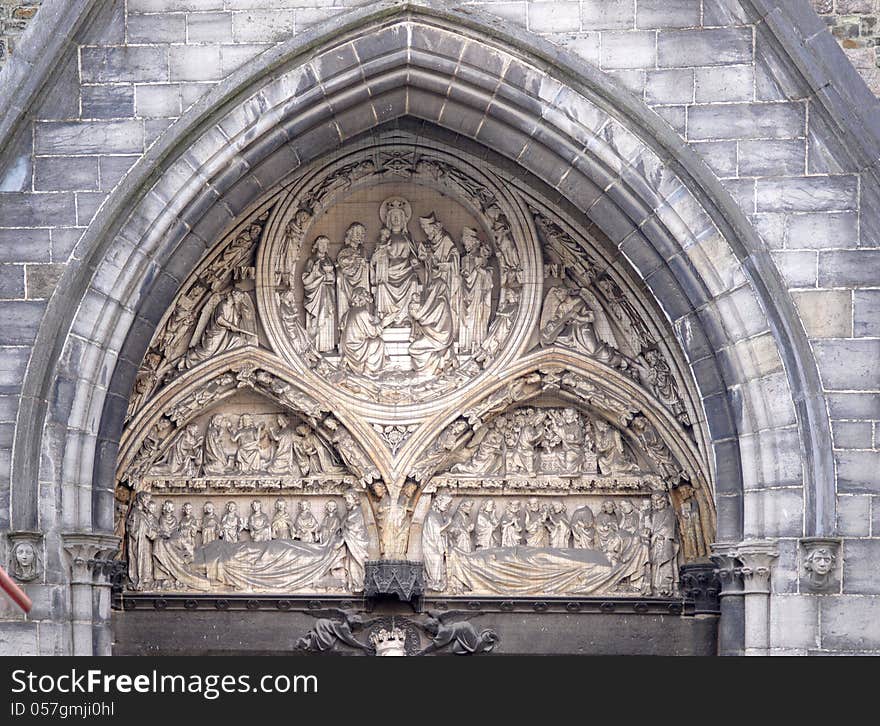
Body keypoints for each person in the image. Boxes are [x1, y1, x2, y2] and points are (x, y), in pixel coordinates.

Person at [339, 287, 389, 375]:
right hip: (356, 347)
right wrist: (383, 323)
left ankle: (348, 361)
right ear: (363, 299)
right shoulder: (362, 312)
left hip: (347, 346)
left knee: (374, 342)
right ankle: (369, 369)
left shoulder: (347, 313)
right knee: (379, 342)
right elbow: (373, 333)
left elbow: (344, 328)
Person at [301, 236, 337, 352]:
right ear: (316, 245)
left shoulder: (329, 261)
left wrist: (330, 276)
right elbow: (305, 280)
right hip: (316, 296)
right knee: (316, 320)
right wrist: (316, 274)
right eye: (321, 244)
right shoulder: (311, 260)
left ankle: (327, 346)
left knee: (327, 319)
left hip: (327, 294)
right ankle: (315, 346)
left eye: (325, 245)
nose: (323, 247)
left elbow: (334, 278)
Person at [336, 222, 371, 329]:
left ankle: (363, 322)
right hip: (347, 279)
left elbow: (366, 264)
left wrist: (363, 264)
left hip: (362, 280)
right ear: (350, 234)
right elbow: (341, 262)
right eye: (357, 233)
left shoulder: (363, 251)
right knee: (340, 276)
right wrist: (353, 259)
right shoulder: (345, 250)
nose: (359, 236)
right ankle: (347, 322)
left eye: (361, 234)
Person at [422, 492, 454, 591]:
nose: (447, 507)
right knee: (436, 559)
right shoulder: (431, 515)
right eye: (446, 504)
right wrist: (448, 523)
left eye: (448, 505)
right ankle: (434, 582)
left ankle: (439, 581)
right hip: (431, 545)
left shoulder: (438, 515)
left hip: (437, 544)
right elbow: (436, 531)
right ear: (438, 502)